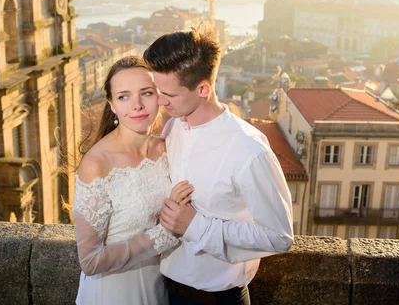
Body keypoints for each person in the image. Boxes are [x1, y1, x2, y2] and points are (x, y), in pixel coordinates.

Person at [143, 29, 294, 305]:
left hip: (217, 299)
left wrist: (195, 226)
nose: (160, 102)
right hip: (162, 290)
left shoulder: (249, 150)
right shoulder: (173, 126)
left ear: (203, 89)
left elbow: (279, 236)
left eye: (169, 95)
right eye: (157, 91)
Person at [72, 56, 194, 305]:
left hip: (159, 284)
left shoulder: (168, 147)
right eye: (124, 96)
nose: (137, 105)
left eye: (146, 93)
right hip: (113, 292)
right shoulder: (96, 164)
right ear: (112, 105)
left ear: (159, 95)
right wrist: (165, 233)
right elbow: (90, 261)